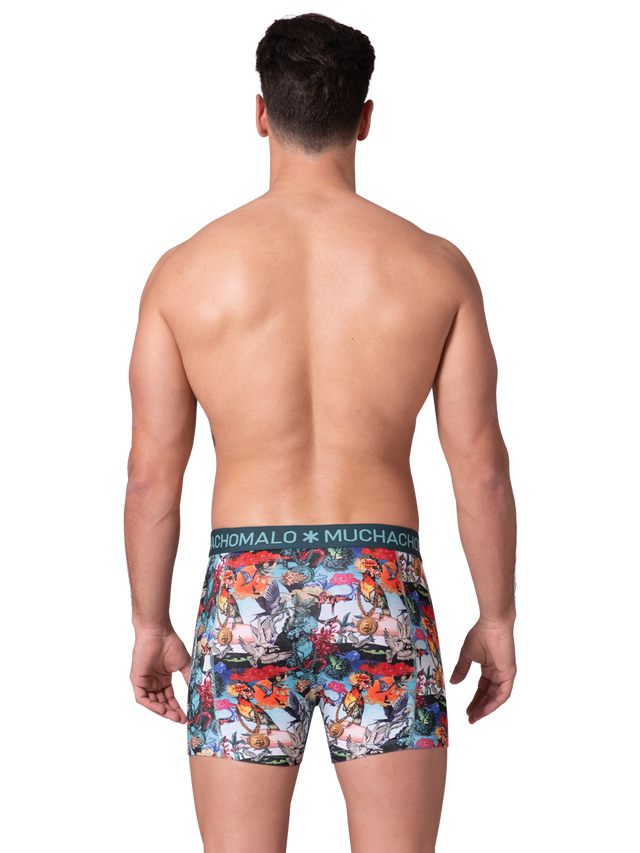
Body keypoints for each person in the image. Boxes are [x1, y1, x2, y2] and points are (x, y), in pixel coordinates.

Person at [124, 10, 519, 853]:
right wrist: (497, 616)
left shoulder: (183, 270)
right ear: (367, 117)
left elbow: (154, 473)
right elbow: (480, 468)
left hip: (244, 588)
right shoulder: (437, 266)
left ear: (260, 114)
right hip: (380, 580)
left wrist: (151, 625)